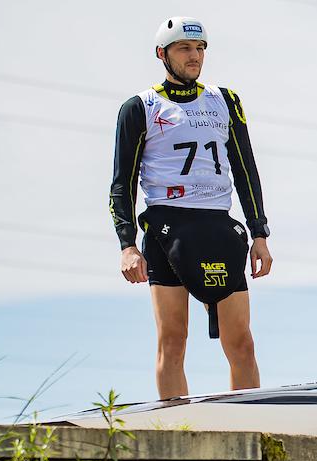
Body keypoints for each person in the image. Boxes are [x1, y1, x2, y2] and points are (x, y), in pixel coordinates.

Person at [109, 16, 272, 399]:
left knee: (242, 342)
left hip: (218, 225)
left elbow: (245, 168)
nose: (194, 57)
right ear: (162, 54)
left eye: (199, 49)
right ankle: (176, 427)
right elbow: (122, 182)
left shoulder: (225, 100)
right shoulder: (140, 106)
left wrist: (260, 232)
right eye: (184, 49)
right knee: (172, 340)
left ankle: (248, 426)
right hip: (168, 225)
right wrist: (127, 244)